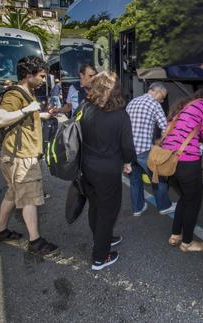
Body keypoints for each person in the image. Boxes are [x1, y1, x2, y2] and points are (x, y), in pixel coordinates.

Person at [0, 56, 58, 256]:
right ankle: (35, 241)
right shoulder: (16, 94)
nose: (43, 80)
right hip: (21, 157)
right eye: (41, 76)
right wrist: (27, 109)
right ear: (28, 75)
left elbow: (25, 119)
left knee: (12, 195)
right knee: (29, 198)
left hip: (15, 156)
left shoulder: (27, 92)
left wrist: (43, 115)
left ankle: (0, 231)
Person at [79, 71, 136, 270]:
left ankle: (102, 239)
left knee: (95, 206)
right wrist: (128, 161)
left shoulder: (85, 108)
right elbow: (128, 146)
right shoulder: (120, 115)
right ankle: (100, 257)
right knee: (107, 212)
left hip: (86, 166)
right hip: (108, 170)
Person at [162, 88, 203, 252]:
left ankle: (175, 235)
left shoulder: (184, 105)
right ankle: (187, 243)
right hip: (187, 161)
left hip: (170, 159)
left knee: (185, 197)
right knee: (193, 201)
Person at [126, 82, 175, 216]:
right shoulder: (154, 104)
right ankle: (164, 206)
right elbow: (165, 128)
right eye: (163, 96)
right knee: (158, 177)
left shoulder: (133, 102)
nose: (163, 100)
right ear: (157, 92)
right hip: (143, 150)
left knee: (135, 180)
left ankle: (137, 208)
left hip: (129, 150)